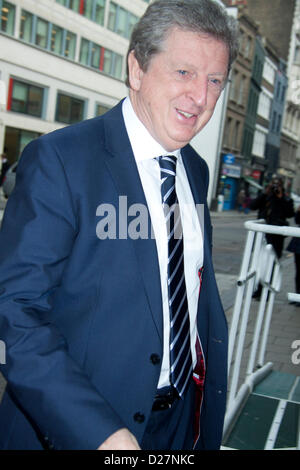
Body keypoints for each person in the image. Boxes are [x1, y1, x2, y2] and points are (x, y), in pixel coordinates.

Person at [0, 0, 239, 450]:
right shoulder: (61, 160)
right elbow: (14, 313)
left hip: (180, 423)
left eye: (214, 81)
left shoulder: (194, 170)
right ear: (137, 69)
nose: (201, 98)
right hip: (84, 430)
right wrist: (100, 433)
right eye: (184, 73)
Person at [250, 176, 294, 299]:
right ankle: (258, 289)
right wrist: (265, 193)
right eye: (273, 185)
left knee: (272, 263)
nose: (275, 188)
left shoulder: (286, 199)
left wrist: (281, 198)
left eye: (277, 185)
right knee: (260, 261)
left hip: (277, 237)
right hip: (263, 234)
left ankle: (268, 290)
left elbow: (290, 213)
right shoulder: (266, 197)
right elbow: (253, 206)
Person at [287, 206, 300, 297]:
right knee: (298, 270)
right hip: (298, 242)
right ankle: (297, 294)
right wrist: (299, 211)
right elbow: (297, 221)